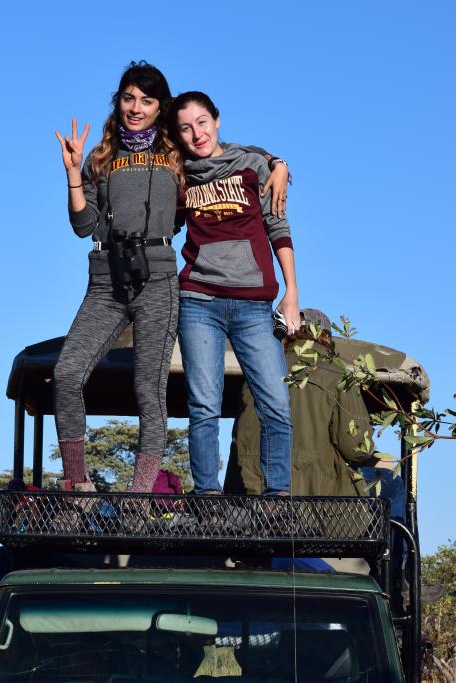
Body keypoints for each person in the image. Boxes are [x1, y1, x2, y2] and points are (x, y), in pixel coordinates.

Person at [52, 65, 288, 492]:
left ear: (160, 107)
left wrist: (278, 162)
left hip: (159, 278)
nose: (136, 108)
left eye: (146, 100)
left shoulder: (176, 152)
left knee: (149, 388)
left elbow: (230, 149)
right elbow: (83, 225)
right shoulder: (102, 156)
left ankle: (140, 497)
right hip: (106, 278)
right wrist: (72, 175)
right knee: (67, 373)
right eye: (128, 98)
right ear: (118, 101)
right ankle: (76, 483)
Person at [167, 91, 299, 496]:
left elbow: (278, 227)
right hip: (198, 301)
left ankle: (277, 498)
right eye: (186, 127)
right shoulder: (178, 174)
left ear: (217, 121)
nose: (196, 133)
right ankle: (208, 496)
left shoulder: (252, 164)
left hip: (254, 305)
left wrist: (291, 292)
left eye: (202, 122)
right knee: (204, 406)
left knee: (275, 404)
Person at [224, 308, 376, 496]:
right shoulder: (337, 374)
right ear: (326, 337)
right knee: (393, 484)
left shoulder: (256, 370)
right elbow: (357, 448)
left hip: (244, 498)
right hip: (314, 501)